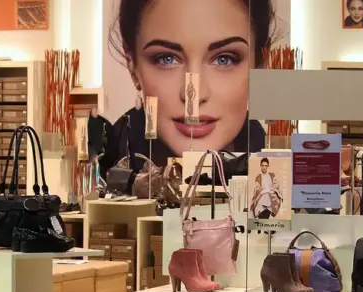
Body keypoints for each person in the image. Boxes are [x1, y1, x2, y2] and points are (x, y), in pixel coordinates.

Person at [106, 0, 272, 172]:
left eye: (224, 59)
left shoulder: (281, 173)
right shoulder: (107, 162)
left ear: (259, 65)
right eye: (166, 59)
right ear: (132, 65)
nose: (195, 94)